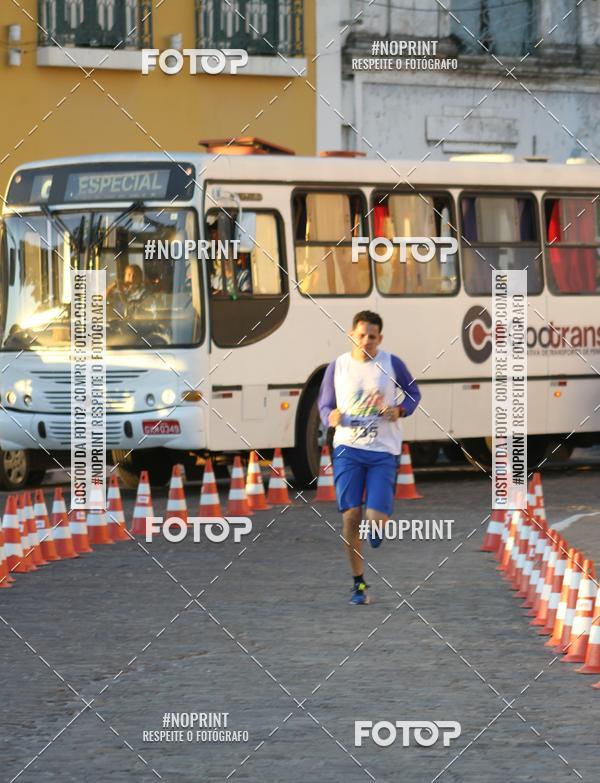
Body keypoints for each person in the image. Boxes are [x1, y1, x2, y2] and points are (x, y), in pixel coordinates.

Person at [318, 310, 421, 605]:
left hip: (383, 451)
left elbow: (413, 394)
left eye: (372, 337)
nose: (366, 341)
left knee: (374, 522)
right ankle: (358, 583)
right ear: (352, 334)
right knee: (350, 517)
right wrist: (331, 416)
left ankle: (376, 527)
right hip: (348, 449)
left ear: (380, 339)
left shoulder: (391, 363)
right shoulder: (337, 367)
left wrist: (400, 410)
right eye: (361, 335)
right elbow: (324, 405)